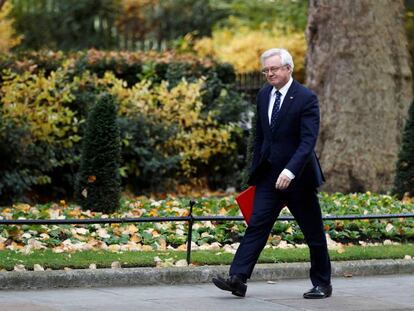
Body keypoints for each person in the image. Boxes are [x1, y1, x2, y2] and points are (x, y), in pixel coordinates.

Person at [212, 48, 332, 299]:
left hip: (298, 178)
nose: (269, 73)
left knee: (313, 233)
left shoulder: (306, 98)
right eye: (266, 70)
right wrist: (255, 171)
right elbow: (261, 137)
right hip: (268, 177)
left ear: (289, 68)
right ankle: (238, 279)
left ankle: (322, 284)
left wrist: (290, 171)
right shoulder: (264, 95)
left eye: (274, 69)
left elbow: (307, 142)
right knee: (256, 226)